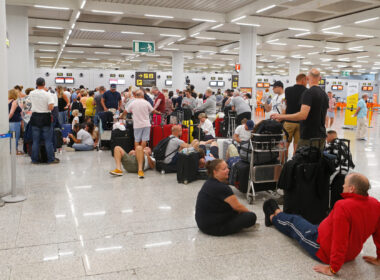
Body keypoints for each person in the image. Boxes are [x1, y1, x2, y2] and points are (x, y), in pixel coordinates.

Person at [263, 172, 380, 276]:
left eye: (345, 183)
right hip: (351, 252)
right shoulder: (375, 204)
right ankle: (276, 212)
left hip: (322, 248)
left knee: (293, 223)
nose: (342, 186)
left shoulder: (343, 206)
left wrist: (333, 268)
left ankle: (273, 216)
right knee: (303, 221)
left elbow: (340, 240)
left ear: (351, 189)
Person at [195, 159, 257, 236]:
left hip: (202, 223)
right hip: (214, 228)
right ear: (215, 172)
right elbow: (237, 206)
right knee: (251, 217)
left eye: (227, 168)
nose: (228, 170)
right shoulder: (222, 188)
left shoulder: (209, 182)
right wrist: (248, 212)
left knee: (235, 212)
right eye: (224, 169)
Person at [271, 69, 329, 151]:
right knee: (317, 161)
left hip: (308, 136)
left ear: (308, 78)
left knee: (300, 159)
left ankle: (282, 163)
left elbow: (303, 115)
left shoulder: (308, 93)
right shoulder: (324, 94)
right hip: (321, 135)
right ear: (320, 78)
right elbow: (325, 116)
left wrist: (282, 116)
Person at [29, 78, 59, 164]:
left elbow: (28, 104)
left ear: (36, 83)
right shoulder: (48, 94)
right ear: (44, 83)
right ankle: (50, 159)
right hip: (45, 117)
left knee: (35, 141)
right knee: (48, 141)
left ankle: (34, 160)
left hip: (35, 117)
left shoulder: (31, 93)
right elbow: (51, 107)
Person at [284, 74, 307, 156]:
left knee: (285, 146)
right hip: (301, 122)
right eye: (306, 80)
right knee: (298, 147)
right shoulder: (307, 91)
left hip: (289, 121)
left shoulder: (287, 90)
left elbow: (286, 103)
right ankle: (294, 165)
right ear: (303, 80)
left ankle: (284, 165)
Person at [8, 89, 23, 154]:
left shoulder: (6, 101)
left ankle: (11, 150)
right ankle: (14, 151)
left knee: (10, 137)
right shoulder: (14, 102)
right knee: (15, 137)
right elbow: (11, 113)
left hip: (10, 122)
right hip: (14, 122)